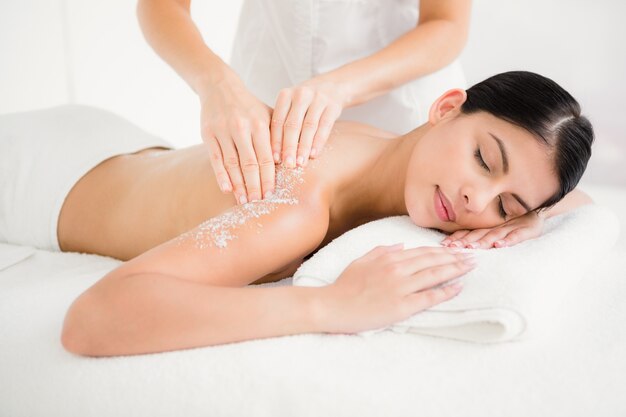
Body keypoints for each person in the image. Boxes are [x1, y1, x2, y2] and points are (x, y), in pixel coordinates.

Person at [0, 71, 593, 357]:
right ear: (445, 107)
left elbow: (580, 195)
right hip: (37, 174)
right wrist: (330, 305)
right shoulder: (299, 208)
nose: (474, 202)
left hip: (122, 144)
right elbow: (93, 319)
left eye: (504, 204)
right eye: (484, 160)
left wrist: (531, 217)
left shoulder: (396, 152)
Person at [136, 0, 471, 206]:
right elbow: (161, 4)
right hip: (262, 100)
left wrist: (340, 87)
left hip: (402, 103)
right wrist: (215, 85)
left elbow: (447, 22)